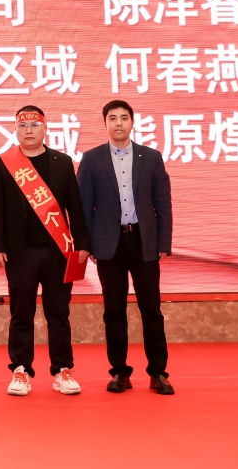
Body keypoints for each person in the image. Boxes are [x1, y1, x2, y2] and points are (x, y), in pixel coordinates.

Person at [0, 106, 91, 397]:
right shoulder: (4, 163)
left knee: (58, 312)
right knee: (22, 312)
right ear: (16, 131)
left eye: (34, 124)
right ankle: (21, 369)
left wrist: (83, 243)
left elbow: (75, 207)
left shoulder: (62, 162)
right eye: (23, 126)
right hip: (20, 253)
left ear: (45, 128)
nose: (29, 130)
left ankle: (62, 369)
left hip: (59, 250)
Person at [78, 100, 175, 395]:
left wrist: (163, 242)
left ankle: (158, 373)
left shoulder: (151, 157)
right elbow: (83, 207)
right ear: (105, 123)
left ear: (132, 122)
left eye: (123, 118)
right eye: (112, 118)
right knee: (114, 310)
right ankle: (119, 372)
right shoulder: (91, 159)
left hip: (144, 242)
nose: (118, 123)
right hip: (108, 244)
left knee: (151, 309)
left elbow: (163, 204)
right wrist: (87, 244)